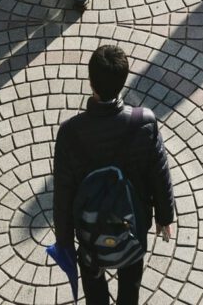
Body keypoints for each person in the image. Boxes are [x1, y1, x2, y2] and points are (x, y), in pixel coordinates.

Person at [52, 44, 175, 301]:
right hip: (133, 224)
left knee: (94, 288)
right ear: (123, 80)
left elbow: (63, 192)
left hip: (89, 230)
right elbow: (159, 174)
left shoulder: (70, 132)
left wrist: (63, 241)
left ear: (90, 82)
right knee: (130, 282)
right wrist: (164, 216)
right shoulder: (144, 122)